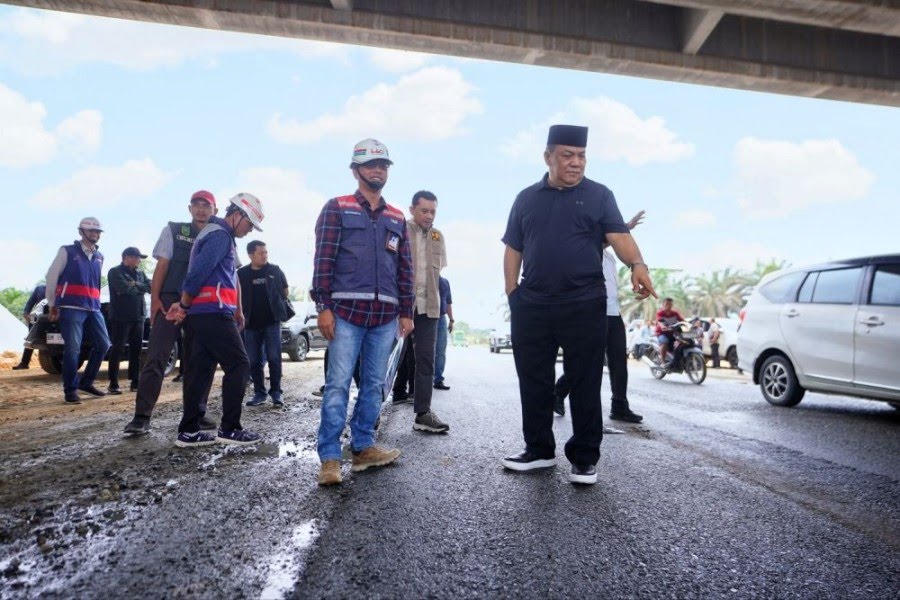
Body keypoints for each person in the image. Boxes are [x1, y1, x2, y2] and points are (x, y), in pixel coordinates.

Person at [500, 124, 656, 486]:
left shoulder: (600, 195)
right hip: (533, 304)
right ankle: (538, 450)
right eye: (567, 155)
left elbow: (619, 236)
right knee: (533, 380)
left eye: (581, 156)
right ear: (548, 157)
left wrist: (638, 264)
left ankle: (584, 459)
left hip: (584, 303)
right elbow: (514, 247)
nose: (576, 163)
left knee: (585, 380)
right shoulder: (525, 198)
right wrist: (513, 293)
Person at [311, 138, 413, 486]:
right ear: (355, 170)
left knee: (374, 385)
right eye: (370, 165)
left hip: (385, 317)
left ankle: (363, 446)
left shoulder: (397, 217)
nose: (377, 170)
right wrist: (323, 306)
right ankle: (329, 458)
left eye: (383, 165)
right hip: (344, 313)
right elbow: (323, 260)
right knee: (337, 384)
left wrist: (406, 311)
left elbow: (405, 269)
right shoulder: (336, 208)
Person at [165, 193, 265, 448]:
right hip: (212, 312)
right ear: (237, 215)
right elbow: (198, 272)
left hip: (202, 313)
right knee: (240, 365)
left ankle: (189, 432)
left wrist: (236, 308)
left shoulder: (213, 233)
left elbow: (222, 276)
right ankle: (230, 428)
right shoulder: (220, 235)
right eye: (249, 223)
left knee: (199, 370)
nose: (249, 229)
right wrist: (184, 304)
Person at [123, 190, 217, 435]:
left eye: (206, 205)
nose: (201, 209)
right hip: (169, 301)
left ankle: (197, 413)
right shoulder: (174, 231)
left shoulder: (220, 235)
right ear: (189, 209)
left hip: (202, 304)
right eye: (197, 205)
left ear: (214, 210)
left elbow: (231, 274)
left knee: (200, 361)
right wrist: (155, 299)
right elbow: (162, 266)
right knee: (156, 357)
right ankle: (141, 417)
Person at [554, 211, 646, 424]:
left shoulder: (611, 257)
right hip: (591, 312)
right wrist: (623, 228)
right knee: (588, 362)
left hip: (613, 313)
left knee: (618, 362)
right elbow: (598, 243)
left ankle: (619, 406)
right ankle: (558, 392)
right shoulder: (585, 248)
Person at [45, 217, 112, 404]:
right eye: (91, 231)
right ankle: (70, 390)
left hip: (93, 307)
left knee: (104, 345)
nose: (95, 234)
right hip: (71, 306)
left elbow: (96, 284)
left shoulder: (100, 256)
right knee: (73, 349)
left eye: (98, 232)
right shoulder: (67, 251)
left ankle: (86, 382)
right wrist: (53, 303)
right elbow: (51, 276)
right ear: (81, 232)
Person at [403, 190, 450, 433]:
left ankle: (423, 413)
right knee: (383, 360)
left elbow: (438, 272)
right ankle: (371, 416)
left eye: (433, 211)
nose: (429, 215)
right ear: (412, 209)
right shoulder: (400, 229)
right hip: (401, 306)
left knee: (426, 361)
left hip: (429, 308)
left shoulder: (437, 236)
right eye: (424, 210)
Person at [238, 240, 290, 408]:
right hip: (251, 323)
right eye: (261, 253)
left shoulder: (274, 270)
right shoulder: (242, 273)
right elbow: (236, 295)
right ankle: (259, 393)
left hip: (272, 322)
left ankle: (276, 392)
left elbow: (285, 291)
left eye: (266, 252)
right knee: (253, 360)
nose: (265, 255)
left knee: (274, 358)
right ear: (251, 255)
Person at [106, 247, 151, 394]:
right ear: (127, 257)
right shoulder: (115, 272)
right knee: (117, 349)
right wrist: (138, 287)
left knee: (136, 350)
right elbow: (124, 289)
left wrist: (136, 285)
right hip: (121, 316)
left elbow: (150, 287)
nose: (139, 261)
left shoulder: (140, 273)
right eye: (137, 258)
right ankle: (113, 383)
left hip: (139, 316)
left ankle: (135, 382)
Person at [12, 284, 47, 370]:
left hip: (56, 318)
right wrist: (26, 313)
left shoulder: (62, 287)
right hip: (39, 319)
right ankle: (24, 363)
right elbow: (30, 302)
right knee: (30, 339)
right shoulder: (40, 289)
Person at [433, 276, 454, 390]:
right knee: (426, 350)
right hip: (428, 317)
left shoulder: (445, 282)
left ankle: (438, 379)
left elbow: (448, 302)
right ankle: (424, 380)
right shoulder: (428, 277)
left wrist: (451, 320)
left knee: (440, 350)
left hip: (441, 318)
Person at [655, 298, 684, 366]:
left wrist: (689, 325)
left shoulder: (675, 313)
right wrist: (662, 326)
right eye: (667, 304)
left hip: (673, 333)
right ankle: (662, 361)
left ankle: (677, 360)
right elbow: (659, 321)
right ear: (663, 305)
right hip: (662, 333)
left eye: (670, 304)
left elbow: (682, 320)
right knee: (664, 342)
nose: (668, 305)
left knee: (682, 341)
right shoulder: (660, 313)